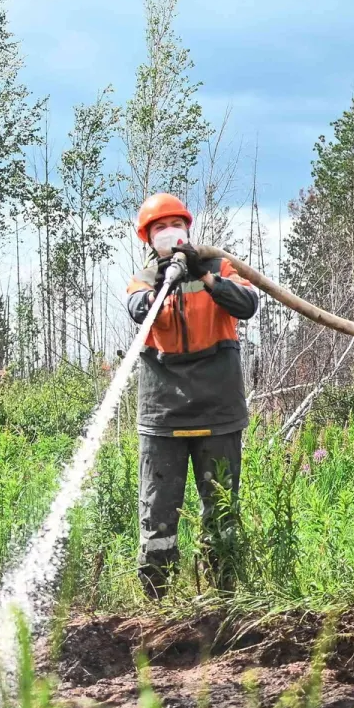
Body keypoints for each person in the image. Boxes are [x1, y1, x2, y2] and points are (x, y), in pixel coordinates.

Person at [123, 192, 264, 597]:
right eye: (159, 228)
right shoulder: (145, 279)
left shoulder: (219, 268)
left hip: (217, 410)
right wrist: (163, 287)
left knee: (220, 508)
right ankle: (157, 599)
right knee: (157, 512)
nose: (169, 233)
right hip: (163, 415)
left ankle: (224, 597)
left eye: (175, 225)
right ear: (148, 238)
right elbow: (136, 308)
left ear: (188, 229)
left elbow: (246, 304)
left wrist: (206, 276)